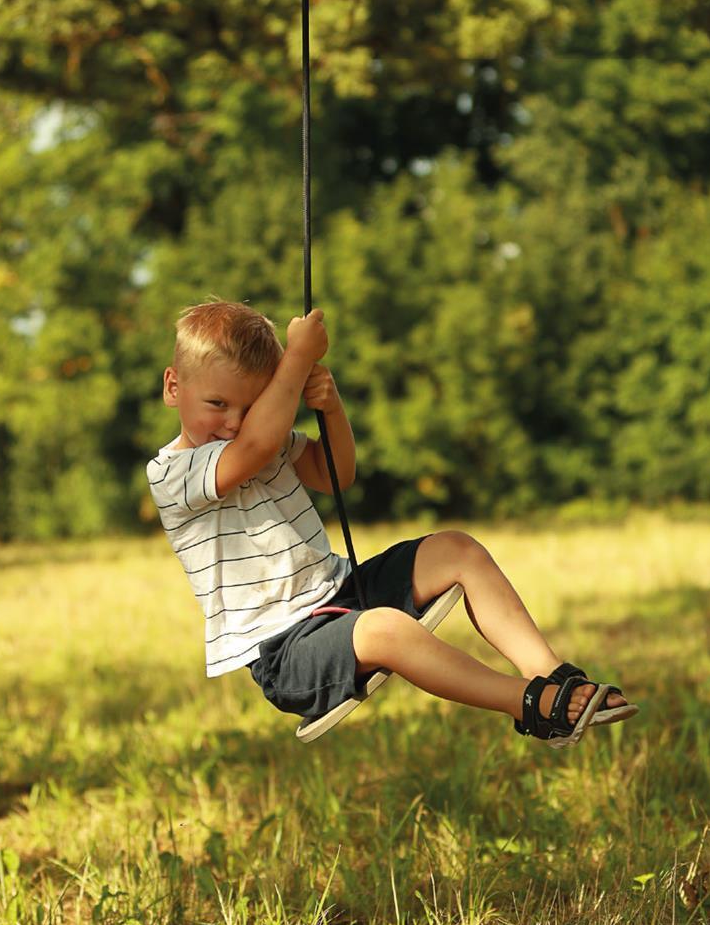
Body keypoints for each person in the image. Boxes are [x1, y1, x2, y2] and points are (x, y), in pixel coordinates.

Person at [147, 299, 637, 745]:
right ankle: (529, 703)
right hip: (287, 649)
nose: (234, 421)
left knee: (456, 549)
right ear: (174, 386)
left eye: (251, 406)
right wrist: (294, 363)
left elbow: (335, 473)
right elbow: (249, 449)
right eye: (218, 404)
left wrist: (331, 407)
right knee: (385, 629)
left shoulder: (269, 437)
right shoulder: (172, 473)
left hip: (342, 592)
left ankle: (551, 674)